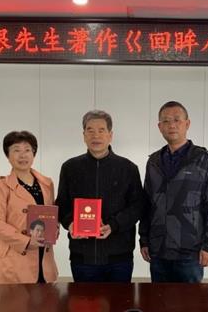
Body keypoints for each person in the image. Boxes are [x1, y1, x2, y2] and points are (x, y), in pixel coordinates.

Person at [139, 101, 208, 283]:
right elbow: (146, 204)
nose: (172, 125)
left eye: (177, 120)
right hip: (158, 251)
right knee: (158, 300)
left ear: (187, 124)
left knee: (190, 301)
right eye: (166, 121)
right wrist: (144, 240)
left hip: (190, 252)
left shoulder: (204, 159)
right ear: (159, 127)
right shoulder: (154, 161)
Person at [56, 110, 144, 282]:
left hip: (119, 256)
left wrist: (113, 225)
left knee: (119, 300)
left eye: (101, 130)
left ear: (110, 135)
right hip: (82, 255)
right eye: (90, 130)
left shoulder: (128, 168)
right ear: (83, 135)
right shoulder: (70, 167)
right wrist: (70, 223)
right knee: (83, 300)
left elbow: (137, 206)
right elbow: (62, 204)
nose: (95, 135)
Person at [0, 131, 58, 284]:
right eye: (16, 150)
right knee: (16, 300)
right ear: (7, 155)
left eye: (27, 150)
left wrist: (54, 229)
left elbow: (52, 215)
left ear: (34, 154)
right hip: (15, 261)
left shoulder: (47, 184)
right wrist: (25, 241)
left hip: (44, 261)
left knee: (46, 299)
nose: (22, 155)